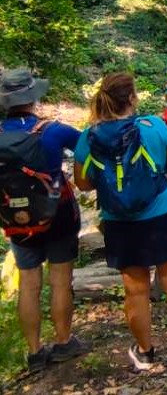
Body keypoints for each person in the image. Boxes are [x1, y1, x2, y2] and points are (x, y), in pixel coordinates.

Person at [73, 73, 167, 370]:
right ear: (132, 98)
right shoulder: (153, 127)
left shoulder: (88, 137)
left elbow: (82, 183)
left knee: (135, 290)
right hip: (161, 213)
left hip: (119, 220)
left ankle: (145, 352)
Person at [0, 69, 90, 373]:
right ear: (33, 97)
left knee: (29, 284)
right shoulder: (53, 130)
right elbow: (88, 149)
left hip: (16, 218)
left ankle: (35, 351)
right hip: (58, 214)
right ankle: (64, 342)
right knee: (61, 280)